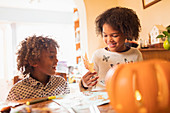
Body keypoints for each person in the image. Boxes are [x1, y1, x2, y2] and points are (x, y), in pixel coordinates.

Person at [80, 7, 143, 91]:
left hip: (125, 98)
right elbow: (90, 85)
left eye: (114, 35)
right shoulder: (98, 55)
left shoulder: (136, 54)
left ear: (127, 33)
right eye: (105, 35)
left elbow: (140, 81)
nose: (109, 40)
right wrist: (84, 84)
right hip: (100, 99)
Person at [7, 35, 70, 101]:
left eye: (56, 56)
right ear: (33, 61)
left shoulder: (61, 83)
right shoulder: (17, 92)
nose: (57, 60)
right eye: (51, 57)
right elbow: (10, 110)